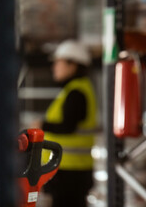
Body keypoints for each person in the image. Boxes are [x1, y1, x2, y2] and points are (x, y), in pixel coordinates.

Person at [31, 40, 97, 207]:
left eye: (58, 63)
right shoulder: (74, 90)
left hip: (69, 172)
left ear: (72, 65)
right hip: (69, 170)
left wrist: (42, 125)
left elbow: (68, 126)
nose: (55, 67)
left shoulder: (76, 92)